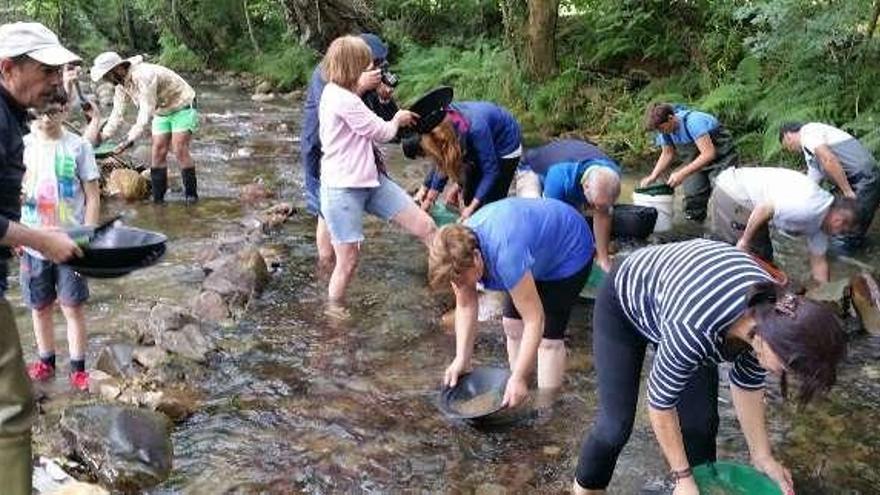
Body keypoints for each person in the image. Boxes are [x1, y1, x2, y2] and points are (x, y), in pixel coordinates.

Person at [573, 239, 846, 495]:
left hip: (684, 298)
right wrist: (682, 476)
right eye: (787, 367)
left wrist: (762, 457)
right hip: (626, 300)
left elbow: (748, 384)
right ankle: (585, 489)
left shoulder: (775, 320)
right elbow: (659, 403)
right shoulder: (695, 329)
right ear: (768, 340)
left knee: (701, 425)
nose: (784, 374)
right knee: (615, 428)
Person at [0, 21, 84, 495]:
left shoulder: (10, 113)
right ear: (7, 68)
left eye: (59, 68)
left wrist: (11, 229)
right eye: (47, 69)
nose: (57, 78)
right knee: (12, 409)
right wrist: (38, 238)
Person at [429, 198, 594, 405]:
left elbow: (535, 320)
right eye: (456, 281)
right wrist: (462, 358)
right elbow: (465, 304)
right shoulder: (454, 259)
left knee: (548, 341)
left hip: (569, 249)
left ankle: (546, 408)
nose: (460, 285)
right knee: (512, 325)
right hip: (531, 247)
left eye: (463, 279)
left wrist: (518, 378)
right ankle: (518, 392)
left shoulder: (505, 255)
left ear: (477, 257)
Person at [318, 35, 433, 303]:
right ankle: (334, 315)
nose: (372, 67)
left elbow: (357, 103)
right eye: (366, 63)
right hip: (343, 189)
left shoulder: (339, 92)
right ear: (351, 67)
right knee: (347, 263)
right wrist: (398, 118)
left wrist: (372, 92)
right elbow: (381, 131)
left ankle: (451, 281)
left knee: (426, 226)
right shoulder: (342, 99)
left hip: (372, 180)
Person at [21, 94, 100, 392]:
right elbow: (13, 189)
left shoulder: (79, 146)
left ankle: (78, 368)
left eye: (52, 112)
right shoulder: (24, 145)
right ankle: (46, 362)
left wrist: (88, 235)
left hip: (71, 243)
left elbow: (92, 195)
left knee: (72, 306)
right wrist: (15, 233)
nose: (45, 119)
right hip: (32, 242)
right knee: (39, 306)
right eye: (38, 113)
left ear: (65, 111)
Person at [301, 33, 399, 272]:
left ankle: (338, 262)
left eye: (378, 64)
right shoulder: (327, 74)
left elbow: (385, 128)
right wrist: (362, 86)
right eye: (373, 62)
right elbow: (341, 104)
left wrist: (384, 99)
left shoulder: (363, 75)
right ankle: (325, 265)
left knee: (339, 219)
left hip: (353, 156)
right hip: (322, 152)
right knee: (324, 209)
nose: (376, 68)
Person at [710, 167, 857, 283]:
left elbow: (819, 263)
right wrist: (744, 241)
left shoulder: (822, 223)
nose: (839, 233)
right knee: (753, 261)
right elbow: (764, 209)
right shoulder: (808, 207)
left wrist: (825, 294)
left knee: (762, 260)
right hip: (735, 193)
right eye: (842, 228)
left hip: (750, 200)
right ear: (838, 218)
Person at [90, 51, 199, 203]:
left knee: (179, 148)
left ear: (119, 68)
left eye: (107, 76)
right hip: (162, 111)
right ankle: (158, 201)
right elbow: (117, 114)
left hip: (183, 105)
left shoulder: (144, 75)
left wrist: (129, 140)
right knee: (157, 152)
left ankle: (191, 197)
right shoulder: (121, 86)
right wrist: (102, 137)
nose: (106, 80)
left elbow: (145, 111)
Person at [516, 139, 621, 272]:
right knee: (535, 216)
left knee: (579, 221)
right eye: (595, 204)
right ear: (586, 187)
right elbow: (550, 220)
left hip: (572, 164)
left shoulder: (612, 174)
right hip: (532, 169)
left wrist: (603, 259)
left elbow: (603, 214)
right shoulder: (559, 177)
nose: (597, 209)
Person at [409, 101, 522, 220]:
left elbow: (491, 171)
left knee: (490, 206)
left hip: (505, 143)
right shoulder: (440, 124)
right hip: (481, 139)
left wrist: (471, 208)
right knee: (469, 196)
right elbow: (443, 161)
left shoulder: (475, 128)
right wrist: (430, 197)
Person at [779, 122, 880, 252]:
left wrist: (847, 191)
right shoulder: (810, 151)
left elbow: (829, 159)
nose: (790, 150)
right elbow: (811, 184)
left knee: (846, 232)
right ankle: (867, 248)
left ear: (787, 136)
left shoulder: (808, 132)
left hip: (865, 179)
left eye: (787, 146)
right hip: (863, 179)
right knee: (848, 229)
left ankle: (854, 266)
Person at [641, 103, 738, 221]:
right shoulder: (665, 132)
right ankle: (694, 228)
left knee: (722, 192)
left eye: (661, 128)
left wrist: (682, 173)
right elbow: (667, 153)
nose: (660, 132)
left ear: (671, 118)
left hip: (722, 157)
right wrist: (653, 176)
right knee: (693, 196)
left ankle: (731, 226)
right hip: (696, 161)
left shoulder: (693, 122)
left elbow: (709, 154)